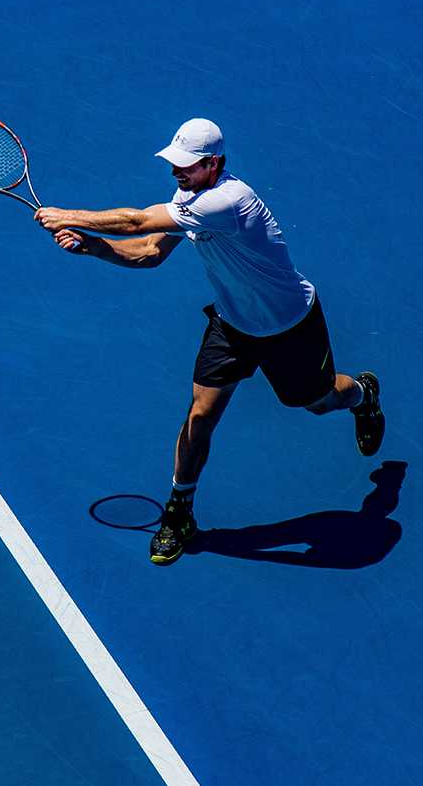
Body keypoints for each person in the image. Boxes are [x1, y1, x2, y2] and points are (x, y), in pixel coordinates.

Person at [34, 118, 384, 565]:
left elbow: (137, 221)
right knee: (200, 415)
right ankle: (179, 511)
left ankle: (363, 394)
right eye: (173, 163)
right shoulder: (189, 197)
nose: (176, 172)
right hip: (233, 325)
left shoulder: (228, 201)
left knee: (316, 401)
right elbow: (149, 252)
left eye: (186, 165)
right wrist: (93, 247)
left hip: (290, 325)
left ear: (214, 163)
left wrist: (68, 215)